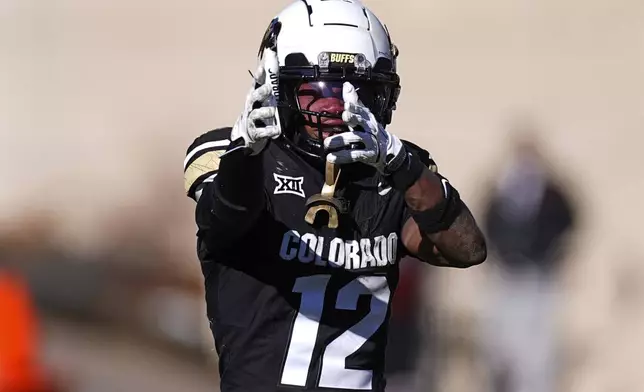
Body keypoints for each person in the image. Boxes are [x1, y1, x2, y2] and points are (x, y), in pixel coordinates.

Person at [183, 1, 486, 391]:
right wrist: (243, 156)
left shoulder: (396, 171)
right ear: (276, 86)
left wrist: (403, 166)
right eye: (318, 92)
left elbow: (466, 249)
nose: (339, 110)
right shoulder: (229, 155)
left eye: (360, 91)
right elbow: (224, 223)